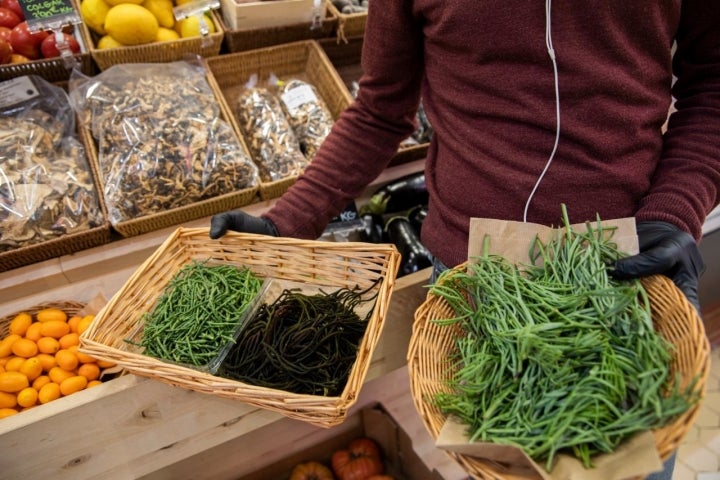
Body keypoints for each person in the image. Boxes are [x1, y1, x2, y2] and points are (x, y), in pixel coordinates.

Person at [210, 1, 719, 478]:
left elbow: (712, 88)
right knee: (500, 453)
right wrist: (286, 221)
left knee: (621, 459)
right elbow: (380, 109)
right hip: (472, 285)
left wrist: (674, 212)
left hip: (619, 278)